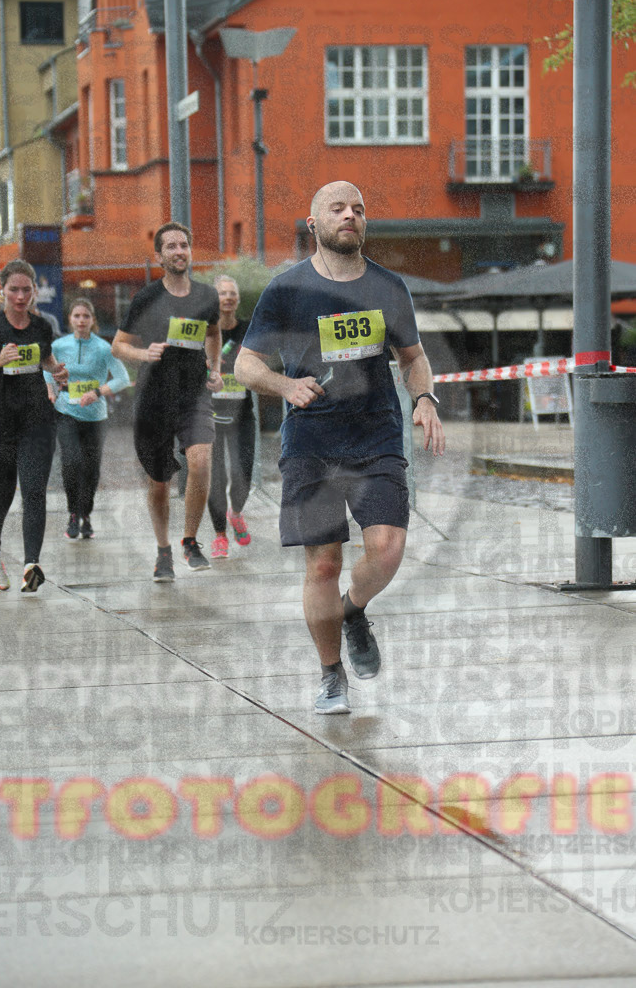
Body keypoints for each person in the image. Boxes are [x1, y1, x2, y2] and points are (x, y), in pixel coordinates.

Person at [235, 181, 445, 715]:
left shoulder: (388, 287)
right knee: (323, 565)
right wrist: (285, 386)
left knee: (389, 548)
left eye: (358, 208)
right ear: (314, 225)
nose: (349, 214)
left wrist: (424, 398)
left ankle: (353, 609)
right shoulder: (286, 291)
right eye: (337, 208)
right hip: (312, 442)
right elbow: (245, 365)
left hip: (375, 435)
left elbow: (413, 356)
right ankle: (332, 676)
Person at [112, 222, 223, 579]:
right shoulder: (147, 298)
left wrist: (216, 367)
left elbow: (214, 332)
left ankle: (189, 541)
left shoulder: (206, 296)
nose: (179, 252)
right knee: (159, 482)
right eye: (171, 247)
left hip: (194, 394)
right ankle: (163, 551)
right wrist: (144, 354)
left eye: (184, 245)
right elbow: (118, 345)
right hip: (155, 398)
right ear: (159, 256)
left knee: (201, 460)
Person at [0, 260, 68, 591]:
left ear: (35, 291)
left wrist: (56, 371)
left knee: (35, 491)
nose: (20, 297)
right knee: (3, 497)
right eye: (14, 290)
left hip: (36, 420)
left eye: (26, 290)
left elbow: (43, 359)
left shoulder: (41, 327)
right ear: (2, 290)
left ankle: (31, 565)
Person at [46, 298, 130, 539]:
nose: (81, 320)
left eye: (86, 316)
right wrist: (51, 388)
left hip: (95, 417)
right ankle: (73, 513)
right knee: (71, 462)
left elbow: (122, 378)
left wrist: (97, 393)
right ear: (70, 319)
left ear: (92, 320)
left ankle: (86, 515)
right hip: (66, 411)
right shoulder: (60, 345)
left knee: (91, 469)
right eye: (76, 316)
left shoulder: (103, 348)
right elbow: (45, 368)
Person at [207, 276, 256, 559]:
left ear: (237, 299)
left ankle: (235, 512)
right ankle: (219, 535)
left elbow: (259, 361)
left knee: (243, 474)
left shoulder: (248, 330)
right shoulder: (205, 331)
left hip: (241, 414)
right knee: (215, 478)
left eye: (232, 293)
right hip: (210, 414)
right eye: (222, 293)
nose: (227, 297)